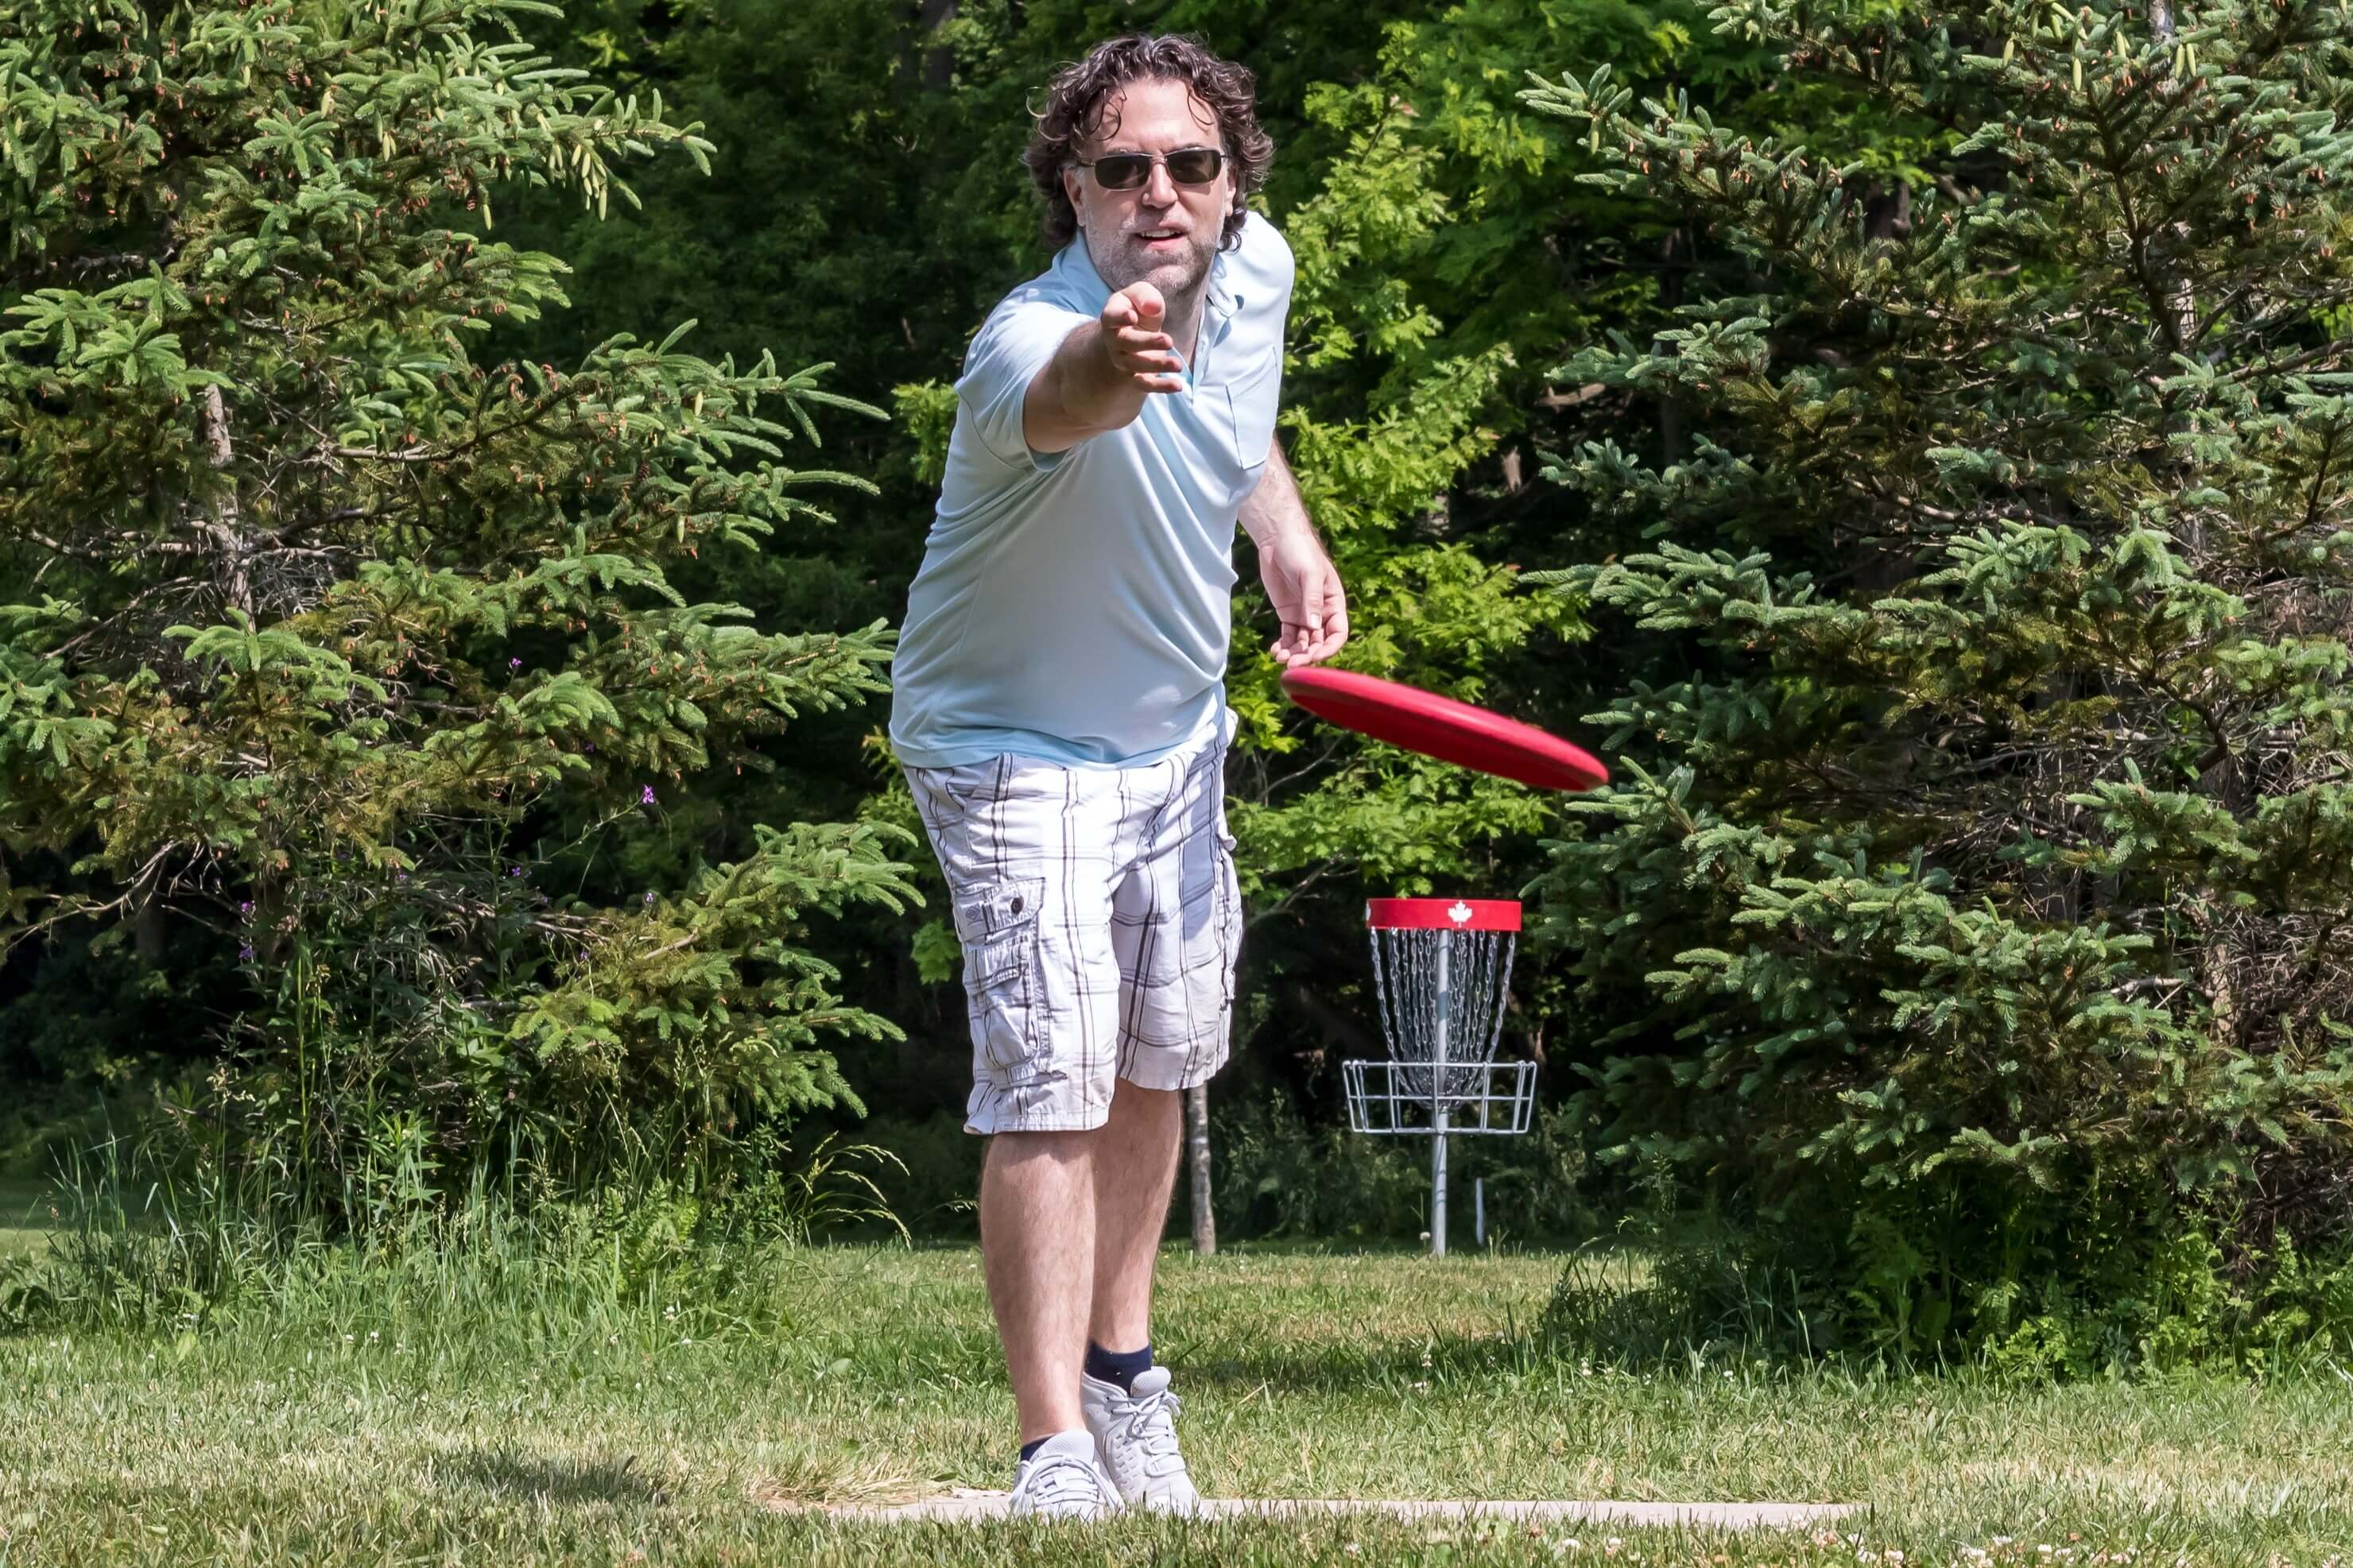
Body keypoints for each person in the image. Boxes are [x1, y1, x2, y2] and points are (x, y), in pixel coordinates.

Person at [889, 32, 1348, 1521]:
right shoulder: (1029, 343)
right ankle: (1052, 1456)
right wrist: (1117, 352)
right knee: (1054, 1076)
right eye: (1123, 167)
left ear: (1232, 183)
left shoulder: (1259, 268)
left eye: (1191, 163)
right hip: (1009, 747)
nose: (1162, 189)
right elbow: (1091, 388)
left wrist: (1279, 528)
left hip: (1173, 736)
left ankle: (1123, 1376)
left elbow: (1234, 414)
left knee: (1161, 1058)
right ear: (1073, 192)